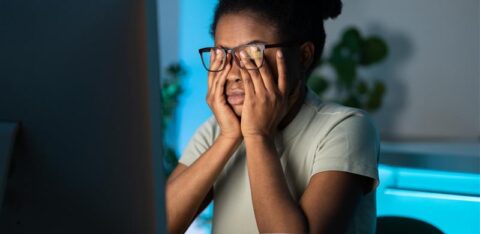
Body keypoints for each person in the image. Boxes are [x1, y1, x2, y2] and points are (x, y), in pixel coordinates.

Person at [166, 0, 380, 233]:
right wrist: (228, 138)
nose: (233, 74)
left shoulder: (345, 128)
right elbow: (160, 224)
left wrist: (257, 135)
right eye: (222, 54)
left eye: (252, 53)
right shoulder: (218, 129)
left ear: (303, 56)